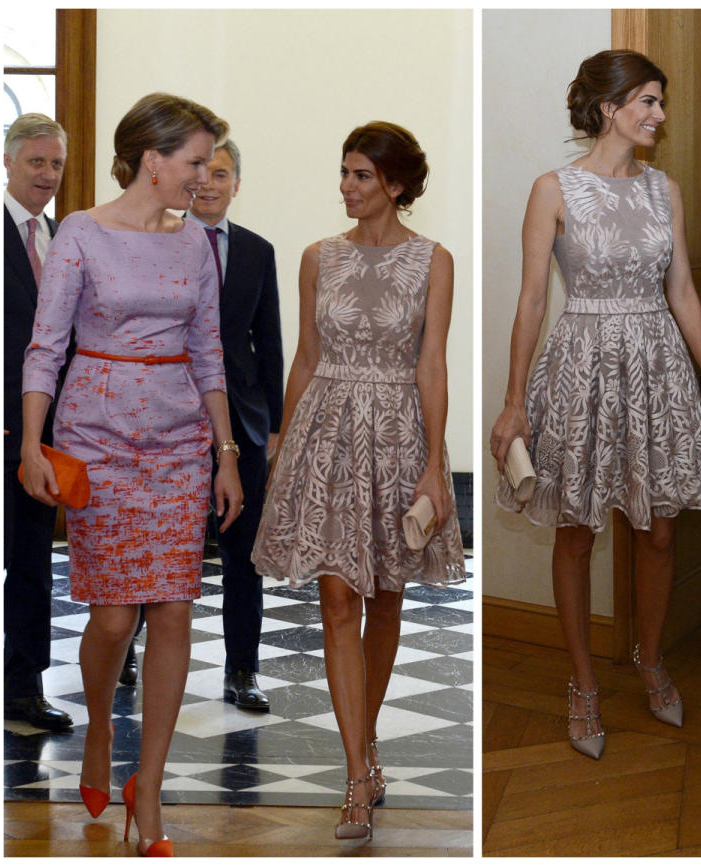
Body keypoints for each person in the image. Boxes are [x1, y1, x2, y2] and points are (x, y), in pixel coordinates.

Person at [489, 50, 701, 760]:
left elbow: (682, 290)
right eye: (649, 102)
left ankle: (650, 659)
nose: (660, 115)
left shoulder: (665, 189)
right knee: (577, 532)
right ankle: (582, 684)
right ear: (610, 107)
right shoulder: (553, 188)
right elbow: (534, 298)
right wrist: (513, 403)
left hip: (658, 367)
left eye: (660, 102)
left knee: (659, 531)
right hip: (582, 366)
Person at [21, 92, 243, 856]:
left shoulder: (197, 244)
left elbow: (211, 353)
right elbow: (45, 346)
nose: (203, 176)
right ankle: (98, 731)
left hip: (180, 444)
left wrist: (227, 455)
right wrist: (29, 443)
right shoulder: (80, 232)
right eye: (194, 162)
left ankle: (146, 785)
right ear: (154, 161)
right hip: (99, 439)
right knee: (115, 617)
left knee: (175, 609)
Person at [252, 121, 466, 840]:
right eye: (344, 173)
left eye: (362, 176)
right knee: (338, 600)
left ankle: (367, 745)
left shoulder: (434, 261)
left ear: (397, 185)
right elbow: (306, 356)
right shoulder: (318, 258)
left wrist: (436, 464)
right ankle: (353, 775)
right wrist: (285, 447)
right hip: (327, 433)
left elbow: (432, 364)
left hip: (399, 435)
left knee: (386, 596)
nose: (346, 187)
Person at [187, 139, 283, 711]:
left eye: (221, 173)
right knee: (163, 542)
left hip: (242, 424)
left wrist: (273, 425)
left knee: (242, 553)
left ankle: (242, 670)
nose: (208, 182)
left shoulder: (257, 251)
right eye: (200, 170)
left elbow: (268, 341)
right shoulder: (158, 240)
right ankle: (128, 647)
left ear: (236, 184)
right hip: (172, 414)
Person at [3, 113, 73, 732]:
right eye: (36, 162)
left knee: (31, 559)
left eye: (55, 164)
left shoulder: (62, 237)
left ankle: (23, 688)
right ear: (8, 162)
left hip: (41, 433)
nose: (47, 175)